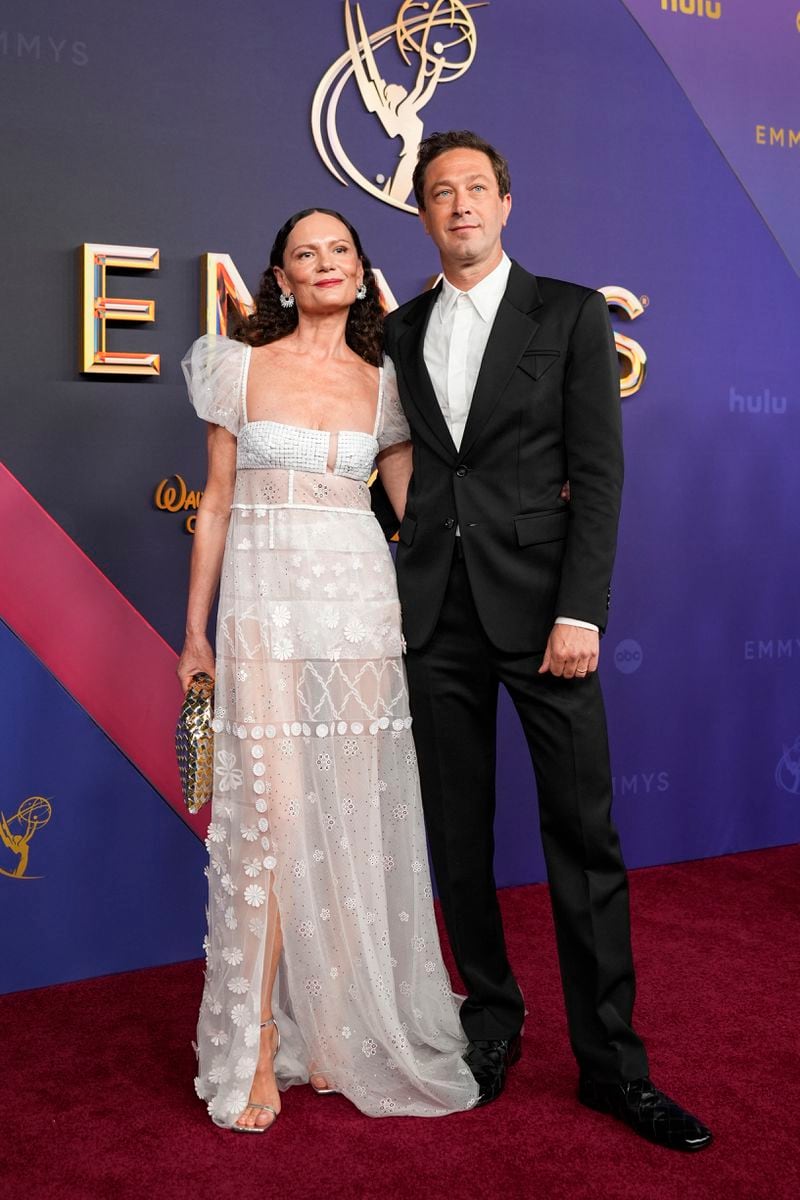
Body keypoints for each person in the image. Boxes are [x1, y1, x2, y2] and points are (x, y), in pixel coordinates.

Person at [380, 130, 713, 1152]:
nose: (459, 206)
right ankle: (488, 1025)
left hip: (544, 620)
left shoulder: (568, 313)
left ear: (505, 203)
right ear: (424, 214)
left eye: (475, 189)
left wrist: (582, 611)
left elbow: (597, 476)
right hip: (436, 618)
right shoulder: (401, 328)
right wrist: (410, 545)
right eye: (440, 193)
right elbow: (401, 459)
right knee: (459, 842)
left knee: (582, 841)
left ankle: (611, 1066)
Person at [178, 208, 478, 1130]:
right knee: (268, 824)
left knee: (350, 815)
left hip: (358, 615)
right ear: (278, 275)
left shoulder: (388, 383)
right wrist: (197, 635)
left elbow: (414, 511)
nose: (324, 264)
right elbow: (218, 505)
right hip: (264, 616)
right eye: (304, 253)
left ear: (359, 270)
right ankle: (259, 1046)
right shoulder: (235, 367)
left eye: (339, 251)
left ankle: (343, 1035)